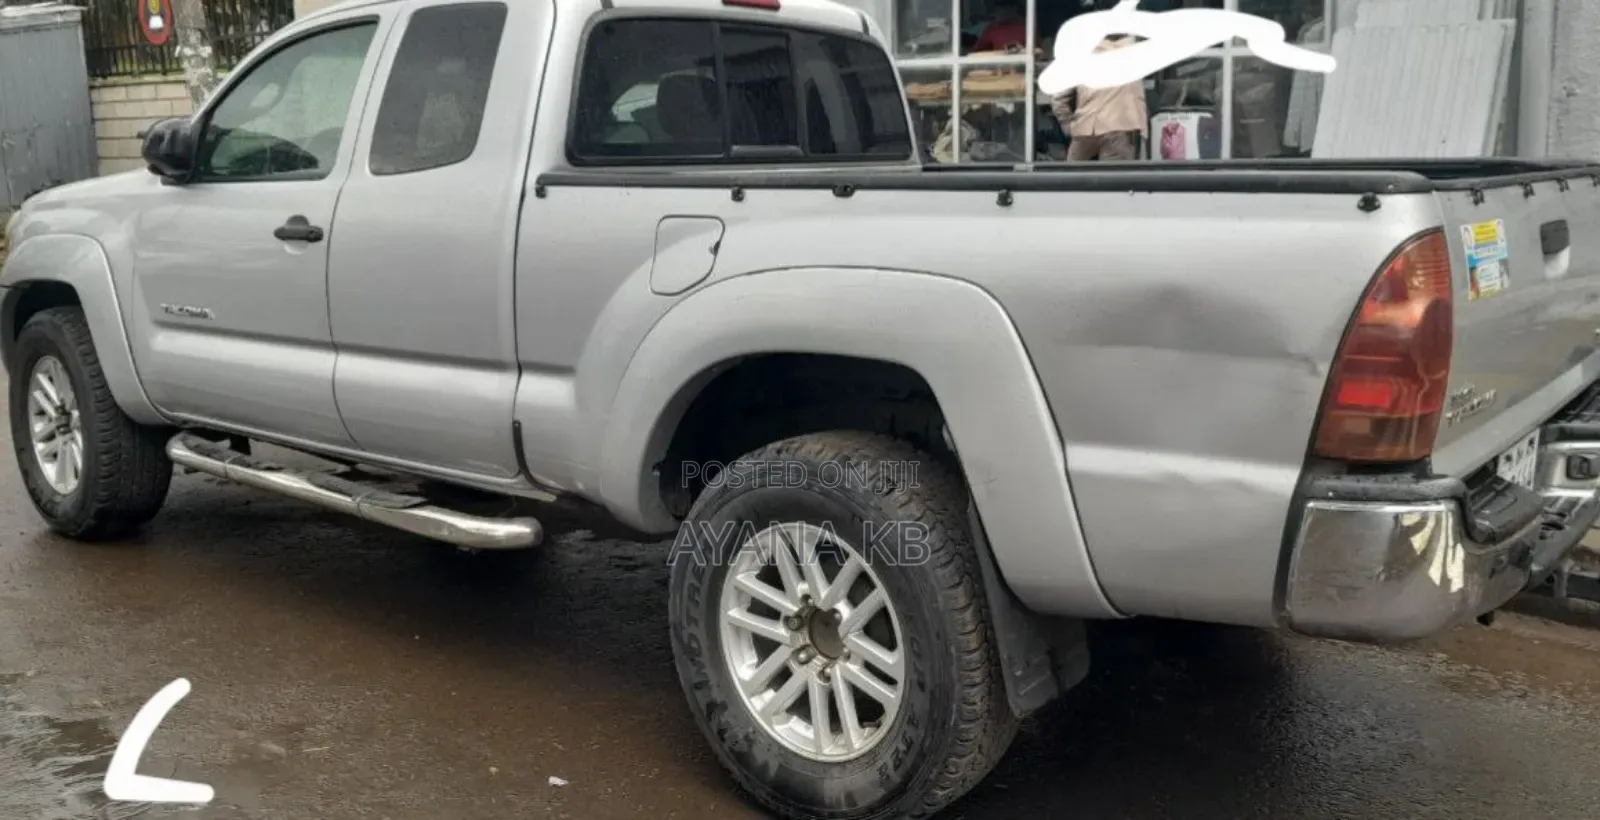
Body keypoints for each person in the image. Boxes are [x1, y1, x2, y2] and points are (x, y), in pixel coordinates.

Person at [1051, 33, 1147, 161]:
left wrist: (1069, 126)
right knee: (1113, 179)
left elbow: (1058, 99)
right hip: (1118, 129)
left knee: (1072, 178)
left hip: (1084, 129)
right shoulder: (1134, 55)